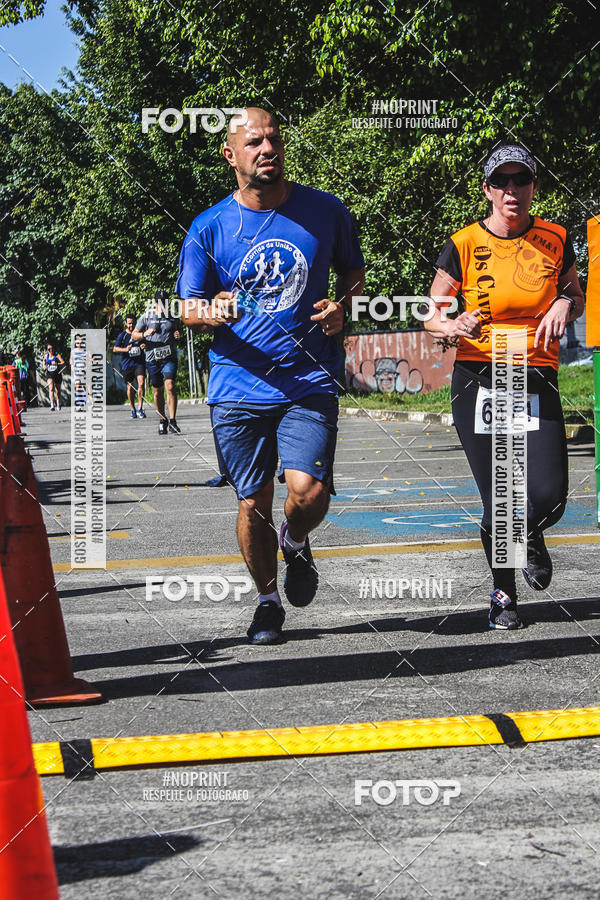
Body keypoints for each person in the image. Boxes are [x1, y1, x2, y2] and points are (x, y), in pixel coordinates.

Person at [176, 106, 365, 645]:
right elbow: (186, 307)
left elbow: (353, 272)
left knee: (309, 492)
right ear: (230, 155)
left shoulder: (325, 210)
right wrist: (209, 311)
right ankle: (266, 602)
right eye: (254, 142)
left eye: (273, 139)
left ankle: (297, 540)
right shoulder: (209, 227)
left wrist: (343, 308)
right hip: (238, 383)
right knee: (252, 501)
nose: (267, 149)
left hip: (309, 378)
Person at [425, 142, 584, 630]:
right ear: (487, 189)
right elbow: (431, 312)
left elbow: (575, 296)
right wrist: (453, 324)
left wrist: (565, 304)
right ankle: (503, 596)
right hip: (480, 377)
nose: (512, 190)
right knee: (501, 496)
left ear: (534, 186)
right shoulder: (463, 243)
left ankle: (530, 531)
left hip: (535, 374)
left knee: (549, 496)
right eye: (502, 181)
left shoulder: (556, 238)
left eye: (521, 180)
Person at [132, 291, 182, 434]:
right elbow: (134, 335)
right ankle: (162, 420)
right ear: (155, 303)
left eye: (165, 302)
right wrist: (144, 334)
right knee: (157, 391)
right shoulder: (146, 317)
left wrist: (178, 334)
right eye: (160, 302)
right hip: (152, 359)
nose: (162, 305)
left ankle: (173, 421)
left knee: (170, 385)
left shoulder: (173, 317)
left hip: (169, 357)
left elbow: (179, 332)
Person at [113, 313, 146, 418]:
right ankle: (133, 409)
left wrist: (143, 345)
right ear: (126, 323)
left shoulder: (140, 333)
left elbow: (146, 343)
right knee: (130, 387)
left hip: (139, 363)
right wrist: (125, 349)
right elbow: (115, 349)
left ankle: (140, 408)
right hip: (127, 364)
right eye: (129, 323)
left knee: (141, 383)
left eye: (133, 323)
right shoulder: (122, 335)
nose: (131, 325)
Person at [43, 343, 65, 410]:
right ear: (47, 350)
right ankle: (52, 405)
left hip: (57, 374)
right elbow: (44, 361)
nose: (51, 350)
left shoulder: (57, 355)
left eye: (52, 348)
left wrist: (57, 363)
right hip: (49, 374)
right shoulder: (46, 356)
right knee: (51, 388)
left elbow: (63, 362)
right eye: (49, 349)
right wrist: (44, 366)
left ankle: (58, 403)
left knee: (57, 390)